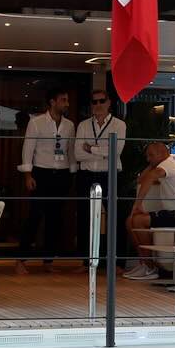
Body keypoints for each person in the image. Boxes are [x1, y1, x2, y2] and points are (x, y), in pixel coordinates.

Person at [16, 89, 75, 272]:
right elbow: (28, 149)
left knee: (55, 219)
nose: (67, 104)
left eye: (67, 100)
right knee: (34, 216)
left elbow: (71, 150)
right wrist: (28, 175)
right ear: (52, 102)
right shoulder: (36, 122)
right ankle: (21, 260)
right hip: (41, 173)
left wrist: (72, 173)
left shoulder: (69, 125)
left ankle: (48, 261)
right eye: (63, 100)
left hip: (62, 173)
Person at [124, 141, 175, 281]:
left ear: (162, 154)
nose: (147, 159)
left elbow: (150, 177)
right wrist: (152, 164)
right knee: (130, 221)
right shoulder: (166, 165)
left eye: (150, 155)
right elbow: (141, 180)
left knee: (137, 221)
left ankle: (149, 267)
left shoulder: (168, 165)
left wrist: (137, 204)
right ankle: (145, 263)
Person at [73, 90, 126, 254]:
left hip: (110, 176)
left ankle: (116, 259)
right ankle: (85, 259)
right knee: (84, 216)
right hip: (86, 175)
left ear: (109, 102)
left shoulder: (119, 125)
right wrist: (103, 152)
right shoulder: (83, 125)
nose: (98, 105)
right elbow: (77, 154)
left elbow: (116, 151)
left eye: (101, 101)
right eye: (94, 102)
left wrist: (90, 148)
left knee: (115, 216)